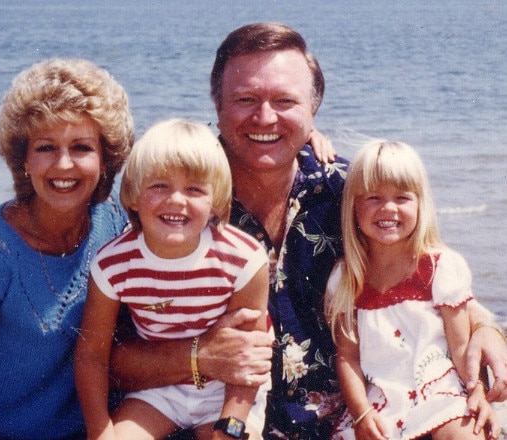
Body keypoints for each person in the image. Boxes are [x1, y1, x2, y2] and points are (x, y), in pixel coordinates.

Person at [108, 22, 507, 440]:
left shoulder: (352, 193)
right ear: (218, 107)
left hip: (352, 423)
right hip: (213, 423)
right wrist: (199, 357)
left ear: (313, 111)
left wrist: (486, 329)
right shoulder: (174, 202)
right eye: (245, 99)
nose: (265, 118)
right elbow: (108, 357)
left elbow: (424, 271)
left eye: (285, 101)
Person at [0, 58, 133, 440]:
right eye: (46, 147)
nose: (63, 165)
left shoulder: (116, 221)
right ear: (23, 159)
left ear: (106, 158)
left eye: (81, 147)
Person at [75, 118, 270, 440]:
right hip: (157, 390)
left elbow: (247, 356)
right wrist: (100, 432)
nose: (176, 200)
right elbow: (91, 356)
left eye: (194, 189)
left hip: (226, 390)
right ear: (135, 196)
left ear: (215, 201)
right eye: (159, 186)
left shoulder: (244, 258)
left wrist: (230, 424)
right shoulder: (113, 263)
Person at [325, 140, 498, 440]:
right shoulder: (346, 277)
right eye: (374, 197)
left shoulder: (441, 267)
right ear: (353, 205)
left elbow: (460, 349)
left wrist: (478, 393)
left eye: (402, 197)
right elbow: (347, 358)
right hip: (380, 402)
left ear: (421, 203)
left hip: (439, 392)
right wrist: (361, 412)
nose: (388, 208)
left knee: (466, 434)